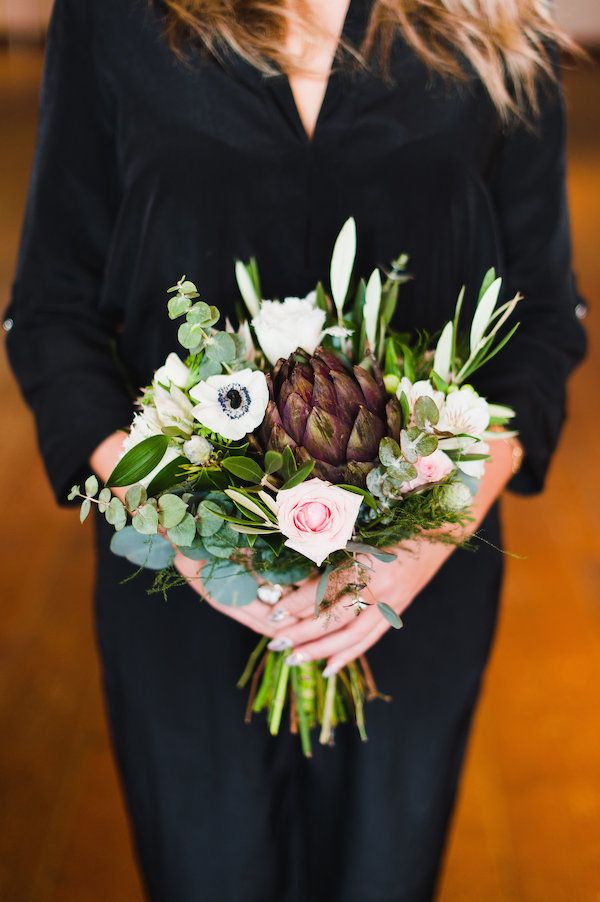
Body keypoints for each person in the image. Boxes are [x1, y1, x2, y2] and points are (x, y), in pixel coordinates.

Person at [5, 0, 587, 899]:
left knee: (385, 878)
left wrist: (436, 527)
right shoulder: (113, 15)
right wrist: (179, 526)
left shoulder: (496, 21)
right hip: (176, 580)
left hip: (412, 585)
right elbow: (50, 310)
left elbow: (543, 321)